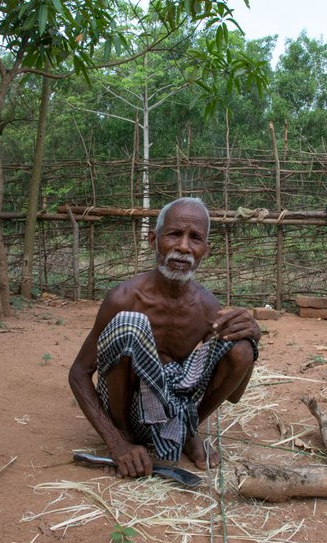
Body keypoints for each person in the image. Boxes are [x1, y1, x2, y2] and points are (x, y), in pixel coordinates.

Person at [68, 197, 261, 479]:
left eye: (195, 238)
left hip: (173, 406)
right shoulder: (124, 298)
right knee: (130, 324)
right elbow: (78, 373)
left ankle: (186, 431)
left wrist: (253, 339)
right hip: (124, 412)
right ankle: (127, 435)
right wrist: (116, 442)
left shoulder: (207, 306)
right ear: (153, 240)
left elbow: (235, 394)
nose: (183, 247)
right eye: (174, 234)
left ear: (205, 250)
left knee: (241, 346)